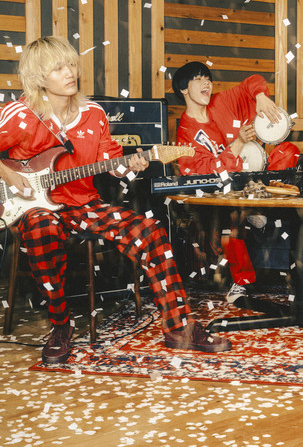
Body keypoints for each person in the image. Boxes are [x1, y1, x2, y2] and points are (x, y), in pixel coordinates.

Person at [0, 37, 232, 365]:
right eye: (58, 68)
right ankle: (60, 325)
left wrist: (132, 164)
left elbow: (112, 163)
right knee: (41, 227)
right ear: (39, 78)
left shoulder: (93, 114)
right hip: (32, 206)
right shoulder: (20, 114)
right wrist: (9, 175)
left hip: (84, 205)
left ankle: (180, 328)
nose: (70, 72)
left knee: (150, 231)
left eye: (71, 64)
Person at [172, 63, 299, 304]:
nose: (206, 83)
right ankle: (242, 280)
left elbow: (252, 81)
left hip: (253, 180)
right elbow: (202, 172)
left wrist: (260, 96)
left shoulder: (221, 102)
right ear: (183, 89)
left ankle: (258, 209)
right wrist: (239, 143)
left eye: (207, 78)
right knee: (230, 216)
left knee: (288, 150)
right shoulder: (185, 132)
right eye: (198, 79)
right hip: (224, 190)